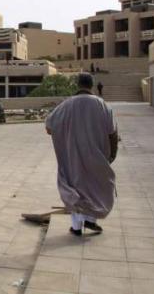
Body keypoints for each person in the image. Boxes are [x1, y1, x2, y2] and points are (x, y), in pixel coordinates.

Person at [45, 73, 118, 236]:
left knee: (75, 188)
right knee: (95, 187)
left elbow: (49, 127)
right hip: (97, 156)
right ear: (92, 85)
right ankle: (91, 220)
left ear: (78, 85)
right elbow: (112, 132)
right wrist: (112, 155)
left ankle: (77, 227)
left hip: (73, 157)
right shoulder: (102, 105)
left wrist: (67, 132)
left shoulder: (66, 104)